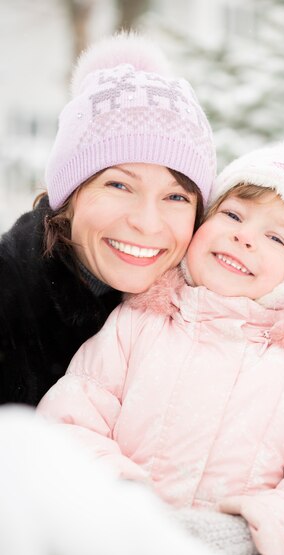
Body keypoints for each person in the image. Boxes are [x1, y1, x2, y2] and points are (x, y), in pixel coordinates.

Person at [38, 135, 284, 555]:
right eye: (234, 216)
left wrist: (255, 532)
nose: (245, 238)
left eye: (276, 238)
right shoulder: (139, 321)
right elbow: (71, 421)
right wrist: (123, 501)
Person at [0, 31, 216, 406]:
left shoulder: (219, 318)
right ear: (68, 196)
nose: (147, 223)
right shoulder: (9, 303)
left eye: (176, 196)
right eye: (119, 185)